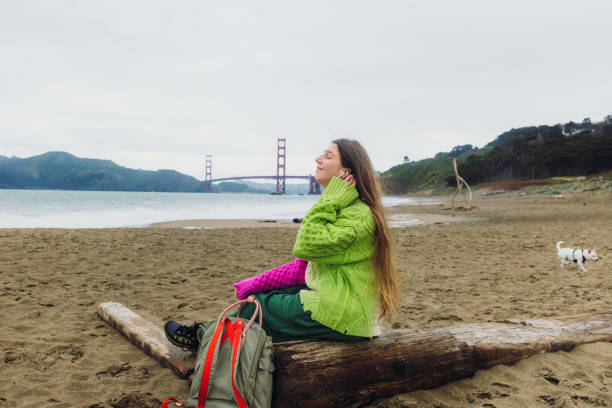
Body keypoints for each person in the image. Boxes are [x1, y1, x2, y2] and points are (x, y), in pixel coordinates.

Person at [164, 138, 399, 349]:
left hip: (345, 314)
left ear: (346, 172)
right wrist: (257, 284)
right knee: (264, 299)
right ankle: (218, 340)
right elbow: (302, 267)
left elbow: (305, 244)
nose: (317, 159)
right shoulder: (347, 208)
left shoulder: (358, 216)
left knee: (252, 310)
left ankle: (202, 339)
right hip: (342, 304)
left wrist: (330, 197)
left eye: (328, 156)